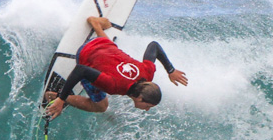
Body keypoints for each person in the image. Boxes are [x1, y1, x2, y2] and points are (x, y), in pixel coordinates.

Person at [43, 16, 187, 120]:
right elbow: (81, 70)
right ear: (140, 98)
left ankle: (96, 24)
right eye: (148, 106)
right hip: (84, 53)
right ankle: (54, 96)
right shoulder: (113, 85)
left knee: (114, 53)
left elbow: (154, 46)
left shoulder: (147, 73)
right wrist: (61, 99)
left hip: (103, 43)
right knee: (101, 106)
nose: (147, 109)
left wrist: (171, 70)